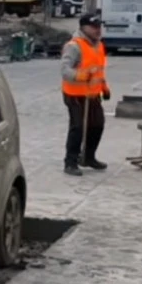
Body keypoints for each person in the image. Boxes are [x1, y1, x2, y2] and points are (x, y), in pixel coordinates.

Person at [60, 14, 111, 177]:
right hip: (75, 94)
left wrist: (104, 87)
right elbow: (65, 70)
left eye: (99, 27)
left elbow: (98, 70)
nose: (98, 30)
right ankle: (70, 162)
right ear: (83, 28)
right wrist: (81, 76)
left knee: (97, 125)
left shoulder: (99, 45)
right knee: (78, 127)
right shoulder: (74, 46)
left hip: (93, 93)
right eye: (93, 27)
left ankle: (88, 157)